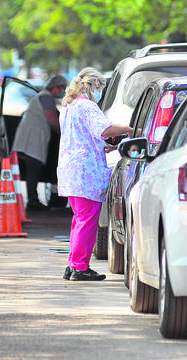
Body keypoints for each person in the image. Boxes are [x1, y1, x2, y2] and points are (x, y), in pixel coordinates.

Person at [58, 67, 133, 281]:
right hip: (85, 171)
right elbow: (105, 131)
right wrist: (128, 129)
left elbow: (83, 137)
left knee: (79, 219)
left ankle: (74, 264)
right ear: (95, 85)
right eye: (101, 86)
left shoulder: (69, 106)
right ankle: (80, 267)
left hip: (72, 169)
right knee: (86, 221)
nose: (101, 91)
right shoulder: (88, 107)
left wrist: (102, 147)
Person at [12, 74, 68, 211]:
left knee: (33, 169)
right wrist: (65, 135)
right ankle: (32, 201)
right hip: (32, 140)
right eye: (62, 89)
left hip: (30, 139)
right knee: (33, 169)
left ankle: (33, 199)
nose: (62, 92)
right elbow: (53, 121)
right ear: (56, 87)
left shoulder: (41, 97)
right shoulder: (46, 98)